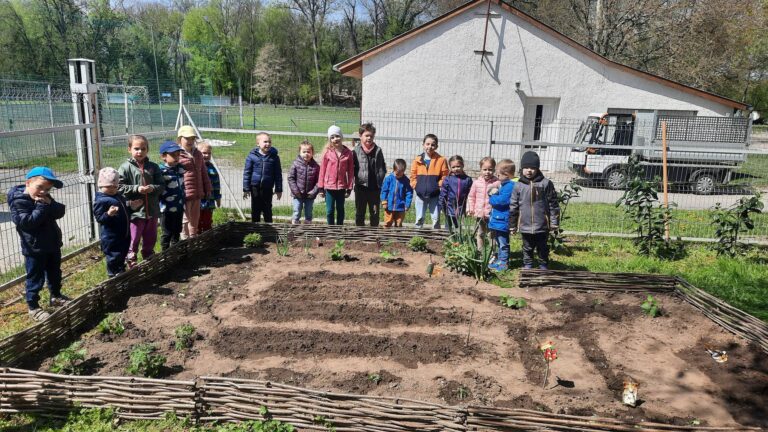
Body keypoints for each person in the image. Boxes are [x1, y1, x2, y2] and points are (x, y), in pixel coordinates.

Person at [8, 166, 68, 321]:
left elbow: (59, 212)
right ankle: (33, 306)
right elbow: (26, 222)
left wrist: (49, 203)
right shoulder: (19, 201)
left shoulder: (44, 198)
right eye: (39, 187)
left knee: (55, 273)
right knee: (35, 277)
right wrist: (42, 206)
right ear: (28, 183)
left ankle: (56, 296)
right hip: (34, 248)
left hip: (52, 244)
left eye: (48, 189)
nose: (43, 191)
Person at [119, 135, 165, 268]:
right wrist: (137, 188)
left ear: (147, 150)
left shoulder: (153, 167)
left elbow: (161, 185)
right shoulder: (125, 168)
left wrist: (152, 188)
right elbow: (120, 187)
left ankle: (149, 257)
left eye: (143, 149)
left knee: (150, 237)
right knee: (133, 238)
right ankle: (131, 260)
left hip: (151, 210)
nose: (140, 152)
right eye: (136, 148)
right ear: (129, 149)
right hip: (135, 212)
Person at [509, 151, 560, 270]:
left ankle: (543, 265)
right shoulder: (518, 185)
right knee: (527, 247)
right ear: (522, 169)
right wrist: (512, 225)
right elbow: (513, 206)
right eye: (526, 167)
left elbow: (553, 204)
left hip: (542, 225)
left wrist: (554, 222)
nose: (529, 170)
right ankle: (528, 265)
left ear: (537, 168)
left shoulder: (546, 184)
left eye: (532, 167)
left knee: (542, 247)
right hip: (525, 225)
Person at [93, 167, 134, 277]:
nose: (112, 189)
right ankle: (112, 274)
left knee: (122, 253)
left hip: (123, 233)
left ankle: (120, 270)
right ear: (100, 185)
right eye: (108, 186)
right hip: (111, 236)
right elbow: (100, 218)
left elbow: (125, 211)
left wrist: (132, 206)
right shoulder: (101, 201)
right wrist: (108, 214)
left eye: (115, 186)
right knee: (113, 255)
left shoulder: (118, 196)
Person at [177, 126, 212, 235]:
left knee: (194, 220)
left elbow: (203, 172)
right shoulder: (177, 154)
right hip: (185, 194)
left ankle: (193, 241)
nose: (190, 141)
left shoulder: (198, 154)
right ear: (180, 139)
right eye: (187, 138)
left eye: (192, 138)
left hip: (197, 193)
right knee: (185, 220)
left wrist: (208, 187)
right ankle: (184, 242)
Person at [410, 134, 448, 229]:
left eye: (433, 145)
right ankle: (417, 235)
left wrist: (437, 186)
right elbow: (413, 175)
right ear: (423, 145)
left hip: (435, 195)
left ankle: (436, 237)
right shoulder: (417, 160)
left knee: (435, 217)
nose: (430, 147)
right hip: (420, 194)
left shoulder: (441, 160)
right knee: (419, 217)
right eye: (427, 144)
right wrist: (416, 186)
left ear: (436, 146)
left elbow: (445, 175)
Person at [318, 125, 354, 225]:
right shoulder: (327, 153)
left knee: (340, 209)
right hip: (329, 187)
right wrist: (321, 187)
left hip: (341, 187)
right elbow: (322, 171)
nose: (335, 139)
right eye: (332, 137)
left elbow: (351, 172)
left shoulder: (348, 153)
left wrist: (349, 188)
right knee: (329, 211)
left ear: (341, 137)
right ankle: (331, 229)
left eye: (337, 136)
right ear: (330, 140)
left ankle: (339, 229)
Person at [243, 132, 282, 222]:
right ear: (258, 143)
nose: (267, 144)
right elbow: (247, 173)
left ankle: (268, 231)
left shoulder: (274, 157)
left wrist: (278, 189)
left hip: (267, 188)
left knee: (267, 209)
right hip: (255, 187)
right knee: (255, 209)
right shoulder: (251, 156)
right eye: (265, 142)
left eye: (269, 142)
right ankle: (255, 231)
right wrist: (246, 189)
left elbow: (278, 174)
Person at [353, 122, 386, 227]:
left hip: (374, 188)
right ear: (360, 136)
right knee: (360, 212)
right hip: (361, 187)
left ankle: (374, 234)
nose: (369, 138)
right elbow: (353, 168)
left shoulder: (378, 150)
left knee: (375, 213)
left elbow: (382, 167)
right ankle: (359, 234)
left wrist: (380, 179)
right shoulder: (356, 151)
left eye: (371, 136)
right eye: (366, 135)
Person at [487, 159, 517, 272]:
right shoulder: (504, 185)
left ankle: (504, 263)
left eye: (498, 174)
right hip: (498, 220)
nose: (496, 175)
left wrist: (491, 197)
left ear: (507, 175)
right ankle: (500, 260)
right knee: (499, 241)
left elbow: (502, 201)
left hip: (502, 220)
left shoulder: (509, 186)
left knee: (503, 242)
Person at [467, 157, 500, 250]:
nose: (487, 172)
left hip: (492, 214)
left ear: (494, 169)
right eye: (484, 169)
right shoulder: (476, 183)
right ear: (480, 169)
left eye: (490, 169)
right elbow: (471, 197)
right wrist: (470, 209)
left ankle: (493, 253)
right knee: (480, 233)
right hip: (479, 214)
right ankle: (480, 252)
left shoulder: (497, 183)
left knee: (492, 234)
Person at [158, 141, 186, 250]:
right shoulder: (161, 171)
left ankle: (175, 251)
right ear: (163, 156)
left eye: (178, 155)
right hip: (166, 208)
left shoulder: (179, 168)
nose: (176, 157)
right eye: (173, 155)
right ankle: (165, 253)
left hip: (179, 206)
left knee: (177, 230)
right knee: (167, 232)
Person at [288, 140, 320, 224]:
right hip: (298, 194)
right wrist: (296, 191)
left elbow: (318, 181)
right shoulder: (295, 164)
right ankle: (295, 224)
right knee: (297, 210)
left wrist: (313, 192)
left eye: (309, 152)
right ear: (299, 152)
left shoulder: (316, 166)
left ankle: (307, 226)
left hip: (310, 195)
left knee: (309, 211)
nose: (306, 154)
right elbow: (291, 178)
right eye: (304, 152)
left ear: (312, 153)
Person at [439, 155, 473, 233]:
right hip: (449, 208)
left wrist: (469, 207)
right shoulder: (448, 179)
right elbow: (443, 194)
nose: (456, 169)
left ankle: (457, 243)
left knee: (458, 228)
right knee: (448, 228)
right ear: (450, 168)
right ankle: (448, 241)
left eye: (458, 166)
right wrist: (441, 207)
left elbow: (470, 194)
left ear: (462, 166)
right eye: (453, 167)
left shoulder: (467, 179)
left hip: (461, 208)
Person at [380, 159, 413, 227]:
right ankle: (386, 236)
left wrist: (407, 204)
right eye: (397, 174)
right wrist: (384, 202)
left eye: (401, 174)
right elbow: (384, 191)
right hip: (389, 206)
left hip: (400, 207)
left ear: (404, 171)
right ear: (394, 169)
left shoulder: (406, 181)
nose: (399, 176)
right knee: (387, 222)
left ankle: (397, 236)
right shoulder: (388, 179)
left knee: (398, 223)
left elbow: (409, 193)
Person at [198, 141, 221, 232]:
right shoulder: (196, 167)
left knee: (207, 222)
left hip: (209, 201)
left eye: (209, 153)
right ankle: (197, 240)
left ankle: (207, 240)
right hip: (198, 202)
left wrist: (217, 198)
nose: (207, 155)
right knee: (197, 223)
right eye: (204, 153)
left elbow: (216, 185)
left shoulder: (212, 168)